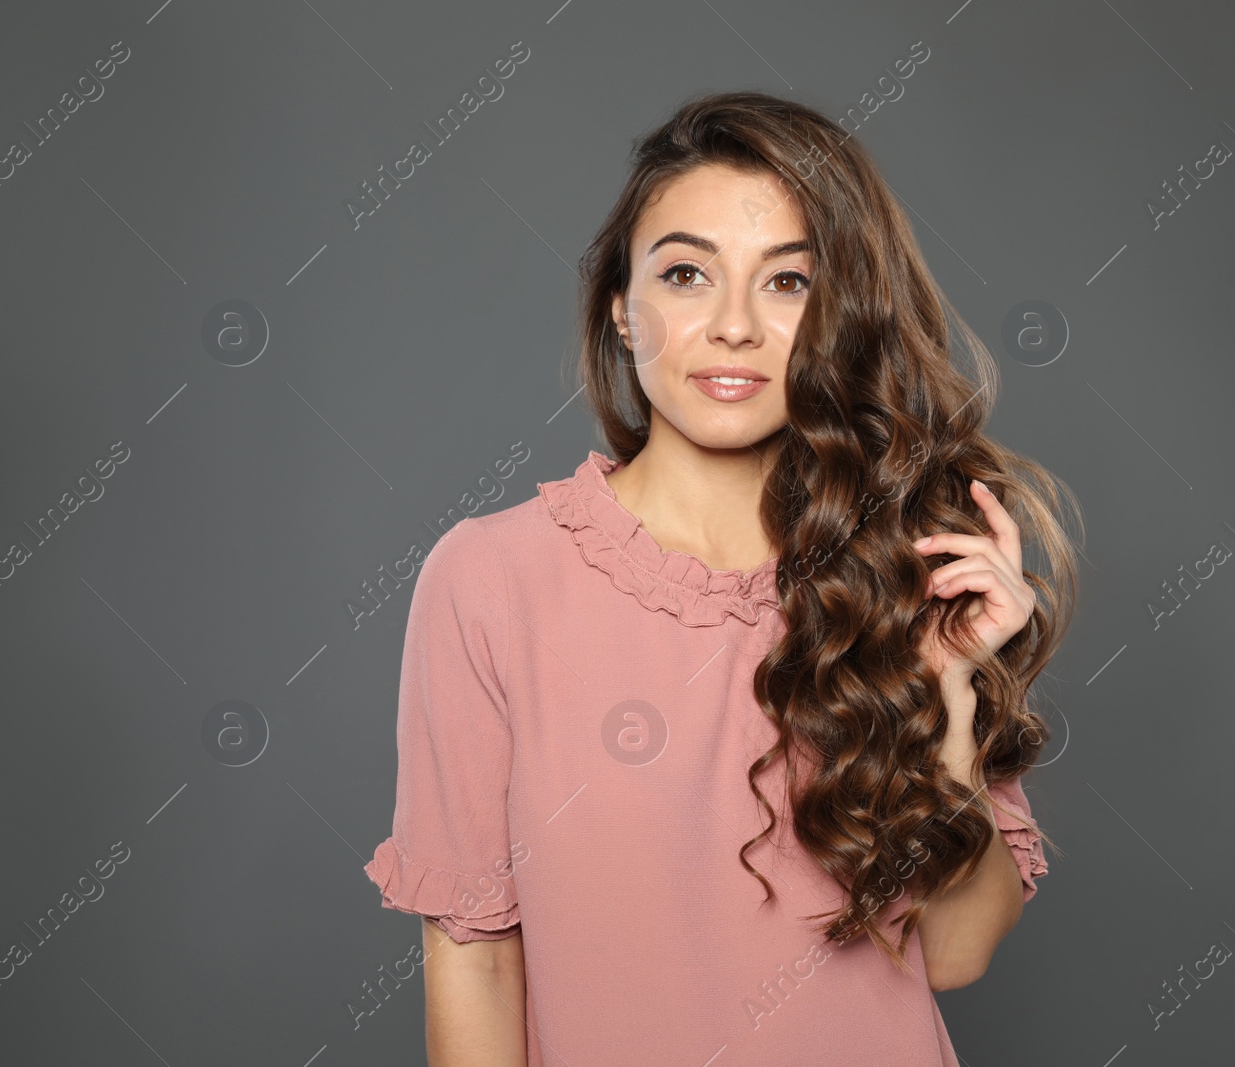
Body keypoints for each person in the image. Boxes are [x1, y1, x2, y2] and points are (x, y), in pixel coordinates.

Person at [363, 89, 1080, 1067]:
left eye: (788, 283)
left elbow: (951, 952)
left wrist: (952, 696)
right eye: (687, 272)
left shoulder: (907, 573)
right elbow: (473, 961)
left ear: (837, 318)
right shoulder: (490, 580)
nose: (734, 324)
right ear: (622, 307)